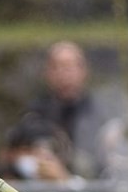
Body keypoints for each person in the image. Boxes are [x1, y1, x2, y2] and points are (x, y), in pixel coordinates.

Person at [26, 40, 122, 179]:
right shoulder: (34, 115)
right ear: (47, 73)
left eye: (69, 67)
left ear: (84, 70)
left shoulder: (101, 114)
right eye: (56, 67)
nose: (64, 74)